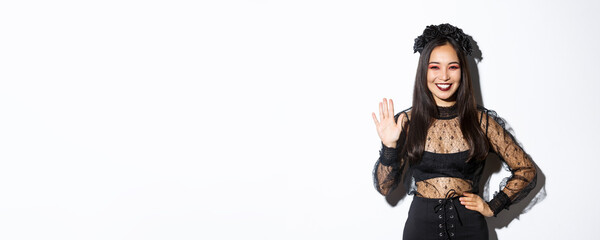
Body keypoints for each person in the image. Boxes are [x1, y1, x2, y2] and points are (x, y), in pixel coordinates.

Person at [371, 23, 537, 240]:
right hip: (420, 230)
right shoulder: (406, 122)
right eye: (435, 67)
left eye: (453, 67)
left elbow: (526, 169)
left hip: (470, 229)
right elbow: (385, 188)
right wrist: (389, 147)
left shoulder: (481, 122)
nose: (444, 77)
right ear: (424, 71)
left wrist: (493, 206)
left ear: (463, 71)